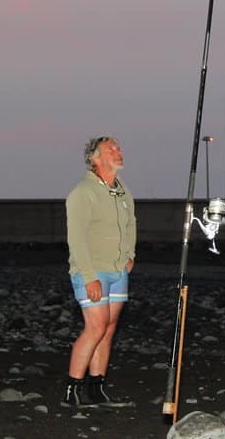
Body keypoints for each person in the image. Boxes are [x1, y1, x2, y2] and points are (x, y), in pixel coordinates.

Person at [63, 135, 136, 407]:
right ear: (95, 159)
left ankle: (97, 389)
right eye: (111, 149)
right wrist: (89, 276)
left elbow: (131, 225)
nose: (119, 152)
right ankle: (72, 389)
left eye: (118, 147)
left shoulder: (122, 190)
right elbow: (76, 238)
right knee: (95, 327)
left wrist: (130, 255)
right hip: (91, 271)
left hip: (118, 271)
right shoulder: (83, 192)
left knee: (108, 328)